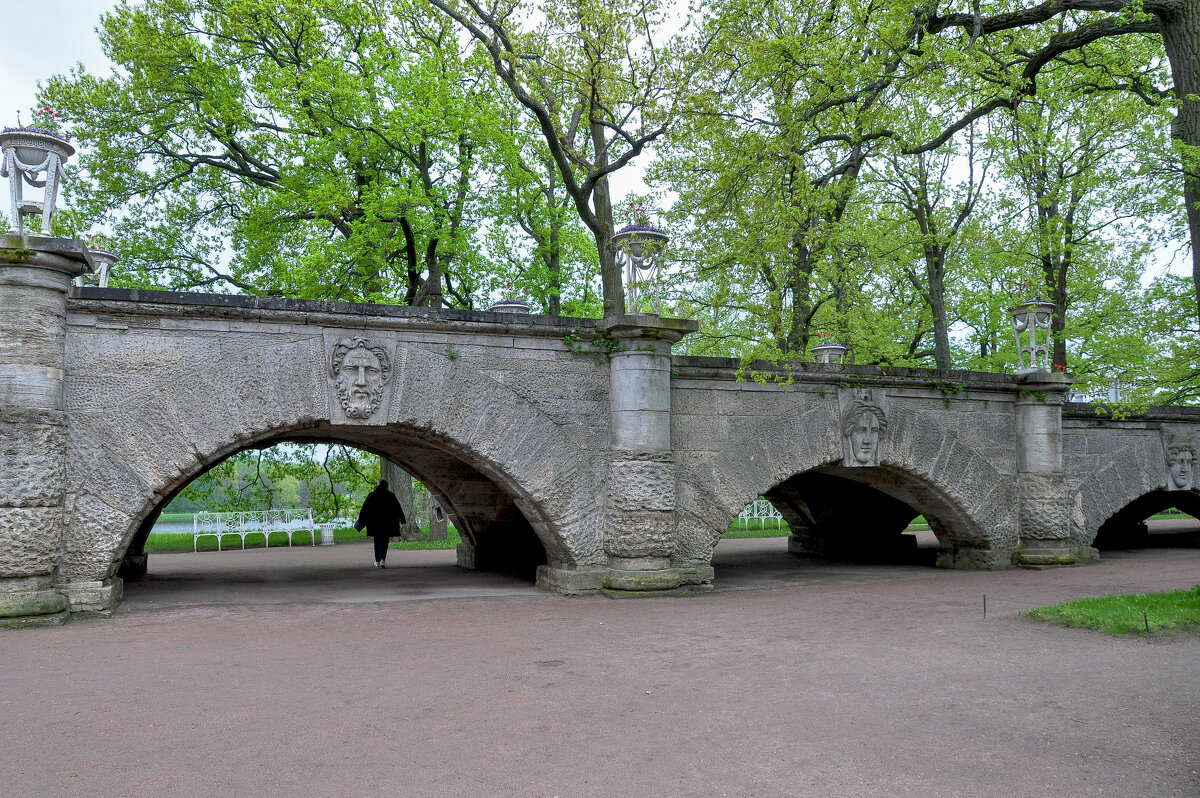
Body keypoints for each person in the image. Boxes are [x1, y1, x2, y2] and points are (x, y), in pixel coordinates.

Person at [355, 479, 406, 568]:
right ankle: (383, 559)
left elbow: (364, 509)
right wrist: (402, 520)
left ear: (378, 485)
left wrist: (361, 520)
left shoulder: (372, 495)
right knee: (385, 541)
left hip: (374, 523)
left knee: (377, 541)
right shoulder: (391, 495)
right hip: (387, 522)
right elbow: (398, 508)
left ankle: (377, 561)